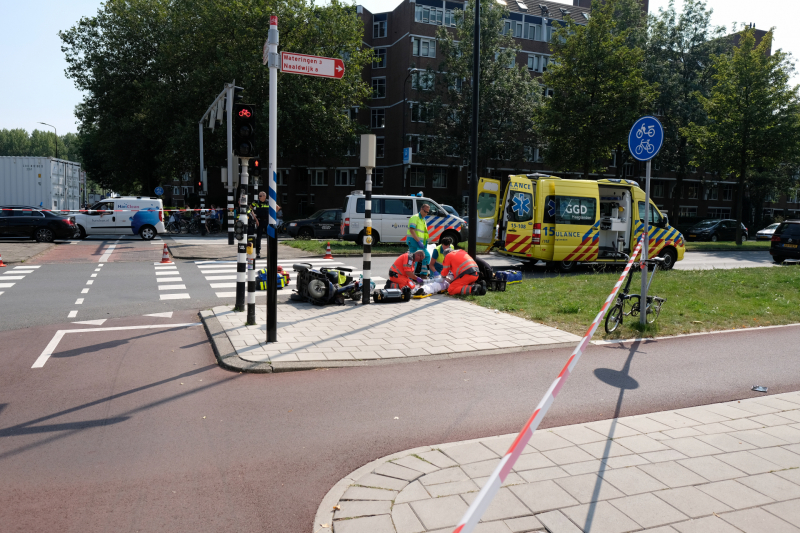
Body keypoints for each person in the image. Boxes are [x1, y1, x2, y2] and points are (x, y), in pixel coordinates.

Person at [250, 192, 282, 258]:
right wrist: (255, 218)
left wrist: (272, 216)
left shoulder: (269, 202)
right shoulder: (256, 202)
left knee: (269, 237)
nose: (259, 197)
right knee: (258, 237)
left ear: (265, 196)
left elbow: (278, 207)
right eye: (259, 196)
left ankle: (270, 252)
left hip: (268, 221)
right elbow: (250, 208)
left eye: (260, 196)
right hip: (259, 221)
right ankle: (258, 252)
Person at [407, 203, 431, 277]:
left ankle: (423, 273)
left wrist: (424, 242)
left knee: (426, 256)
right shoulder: (415, 217)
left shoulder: (423, 219)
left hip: (420, 243)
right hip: (414, 242)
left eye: (427, 212)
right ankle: (410, 275)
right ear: (421, 209)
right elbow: (412, 230)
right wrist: (418, 241)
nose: (426, 213)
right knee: (414, 260)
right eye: (425, 211)